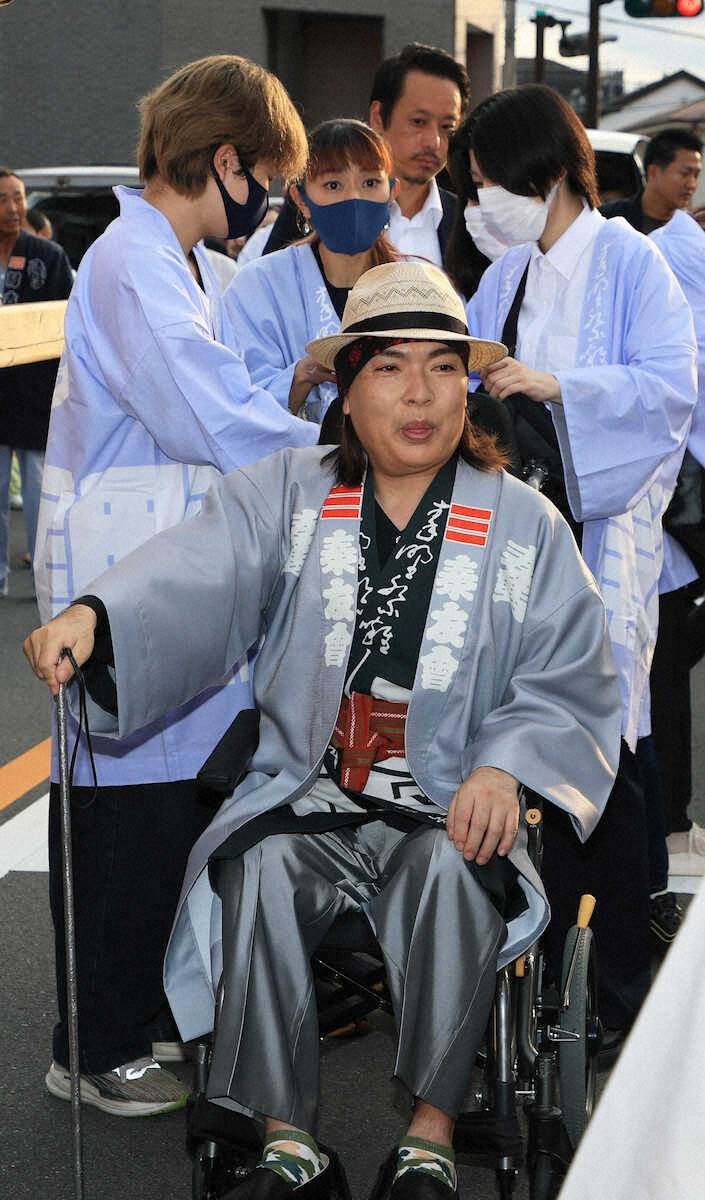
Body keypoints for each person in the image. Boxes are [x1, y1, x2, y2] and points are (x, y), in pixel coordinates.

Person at [25, 260, 622, 1199]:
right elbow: (195, 569)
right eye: (389, 367)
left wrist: (506, 768)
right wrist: (96, 617)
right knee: (256, 864)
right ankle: (288, 1143)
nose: (419, 393)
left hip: (450, 802)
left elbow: (570, 669)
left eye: (442, 368)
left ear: (468, 391)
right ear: (346, 391)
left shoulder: (526, 523)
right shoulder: (286, 492)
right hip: (309, 790)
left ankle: (427, 1140)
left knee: (450, 867)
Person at [33, 54, 315, 1117]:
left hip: (160, 577)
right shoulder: (135, 262)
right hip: (121, 582)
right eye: (270, 178)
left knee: (158, 821)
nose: (269, 201)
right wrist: (339, 460)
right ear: (226, 160)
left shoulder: (175, 261)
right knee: (121, 825)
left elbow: (226, 395)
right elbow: (210, 410)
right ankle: (93, 1047)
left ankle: (132, 1022)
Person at [463, 85, 697, 1041]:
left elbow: (669, 390)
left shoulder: (633, 262)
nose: (480, 201)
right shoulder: (507, 275)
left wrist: (559, 388)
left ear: (547, 172)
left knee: (607, 754)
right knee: (524, 747)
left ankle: (613, 991)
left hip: (602, 543)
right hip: (520, 541)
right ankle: (540, 970)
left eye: (488, 180)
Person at [223, 119, 399, 426]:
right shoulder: (259, 286)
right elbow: (238, 402)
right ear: (301, 200)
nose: (353, 199)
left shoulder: (420, 284)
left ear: (392, 193)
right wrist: (301, 377)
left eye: (371, 183)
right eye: (333, 185)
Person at [264, 44, 468, 273]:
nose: (434, 142)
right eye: (418, 122)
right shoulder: (318, 204)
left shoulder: (468, 221)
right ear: (378, 117)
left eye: (447, 127)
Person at [648, 209, 705, 880]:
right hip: (667, 504)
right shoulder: (669, 254)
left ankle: (670, 824)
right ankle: (668, 825)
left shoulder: (668, 252)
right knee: (658, 669)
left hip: (672, 507)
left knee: (661, 668)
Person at [0, 167, 73, 597]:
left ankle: (43, 579)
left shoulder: (48, 256)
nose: (13, 208)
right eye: (3, 199)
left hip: (34, 394)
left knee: (39, 493)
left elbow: (66, 324)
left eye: (18, 197)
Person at [601, 128, 702, 234]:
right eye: (685, 173)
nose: (692, 184)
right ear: (653, 172)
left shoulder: (694, 231)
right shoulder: (608, 219)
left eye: (696, 175)